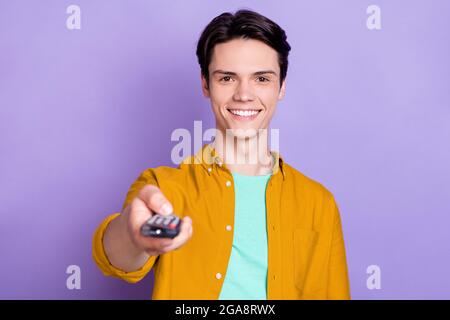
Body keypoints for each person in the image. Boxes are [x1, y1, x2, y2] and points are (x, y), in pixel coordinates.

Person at [92, 9, 351, 300]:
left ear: (282, 87)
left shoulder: (319, 204)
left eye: (262, 79)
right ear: (206, 84)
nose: (244, 94)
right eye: (227, 78)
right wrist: (133, 236)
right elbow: (117, 259)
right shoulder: (163, 189)